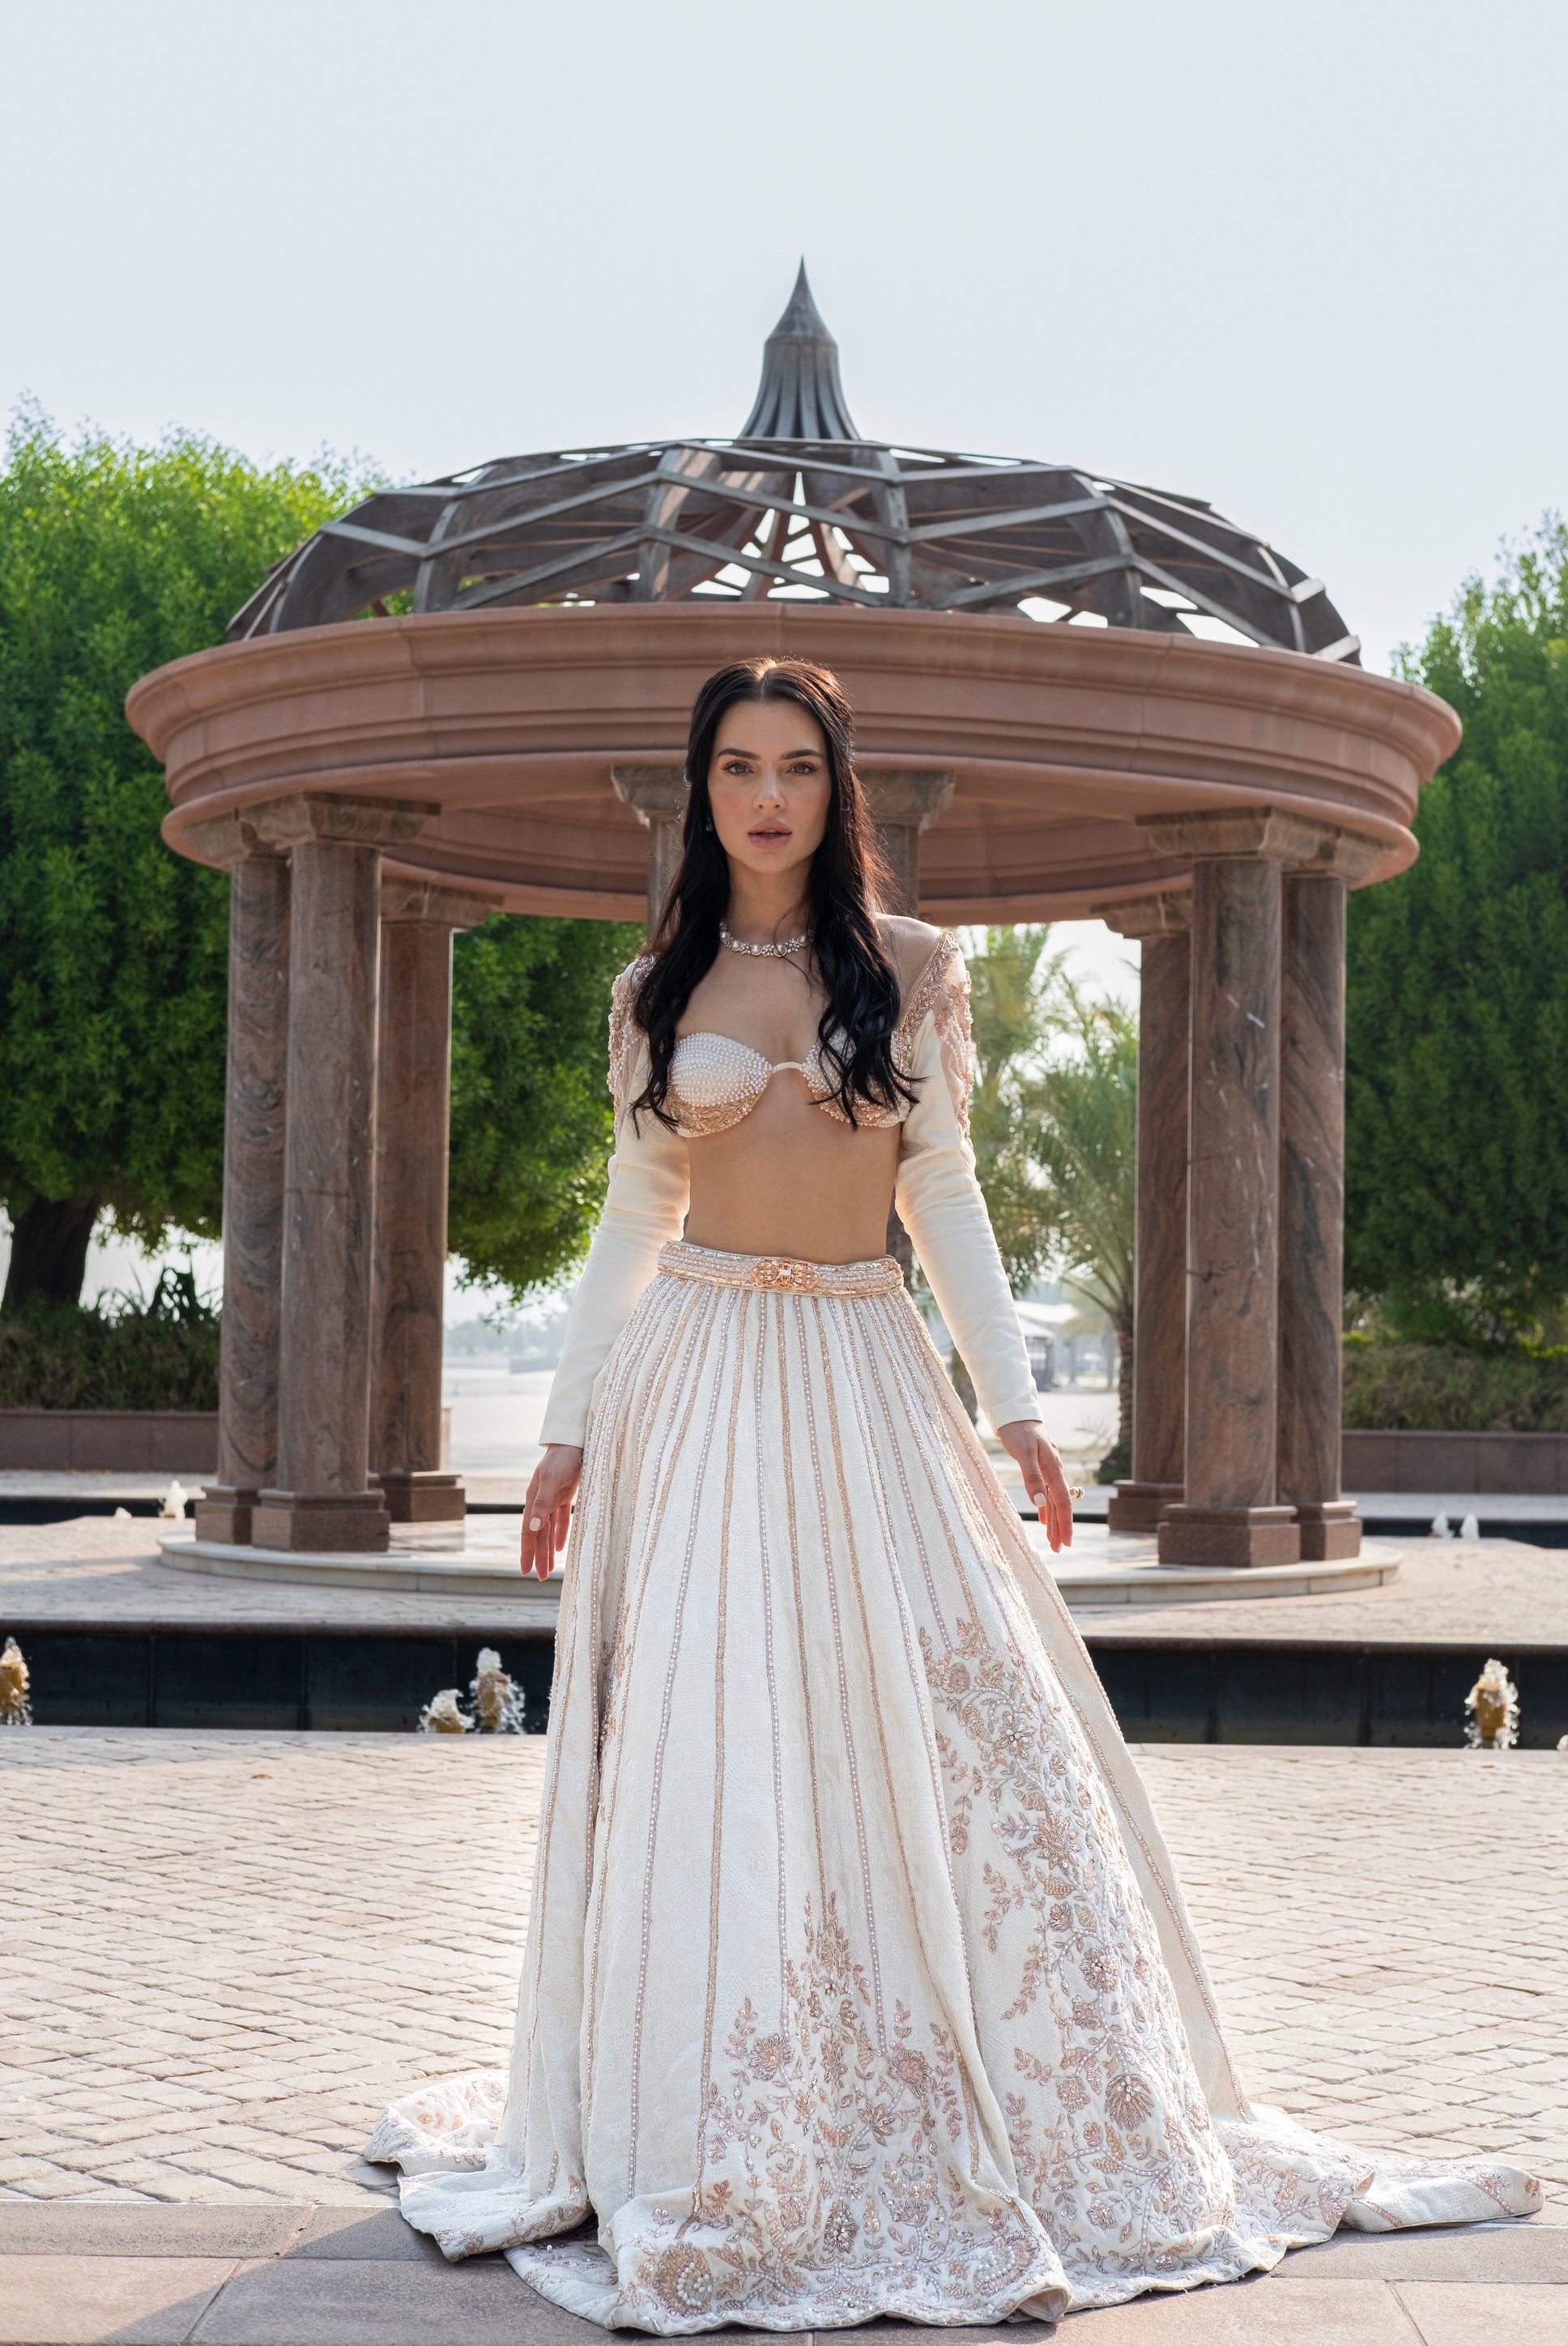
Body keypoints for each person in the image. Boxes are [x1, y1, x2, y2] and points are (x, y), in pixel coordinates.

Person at [367, 658, 1537, 2331]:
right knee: (721, 1734)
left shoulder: (911, 968)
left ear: (836, 789)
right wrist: (560, 1435)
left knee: (954, 1719)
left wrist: (1010, 1404)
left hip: (862, 1372)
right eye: (734, 769)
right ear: (700, 794)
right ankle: (710, 2109)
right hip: (694, 1384)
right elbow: (634, 1218)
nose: (765, 796)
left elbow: (944, 1193)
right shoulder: (654, 986)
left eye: (795, 766)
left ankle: (966, 2092)